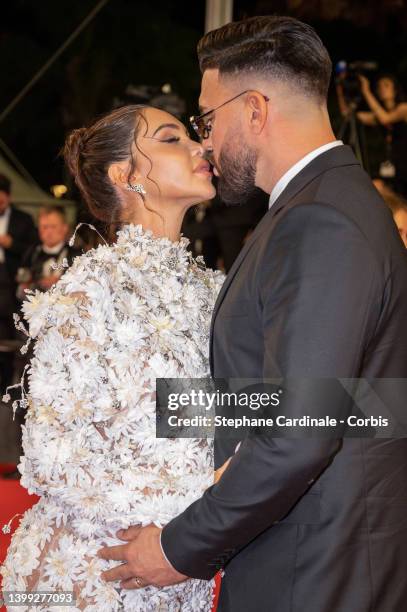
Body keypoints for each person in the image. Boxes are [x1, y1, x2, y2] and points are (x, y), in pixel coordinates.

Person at [100, 16, 407, 612]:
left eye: (208, 120)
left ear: (256, 110)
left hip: (315, 569)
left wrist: (179, 548)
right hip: (319, 553)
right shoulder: (319, 205)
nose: (205, 141)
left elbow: (300, 431)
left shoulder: (320, 219)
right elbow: (345, 398)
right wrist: (158, 414)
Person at [1, 105, 224, 611]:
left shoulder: (214, 290)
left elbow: (208, 411)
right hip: (93, 571)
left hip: (175, 568)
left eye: (193, 136)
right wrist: (185, 522)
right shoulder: (90, 289)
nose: (201, 147)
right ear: (125, 175)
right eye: (172, 139)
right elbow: (52, 457)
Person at [339, 73, 407, 196]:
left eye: (386, 85)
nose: (382, 89)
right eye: (379, 86)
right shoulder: (379, 116)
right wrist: (340, 87)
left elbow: (385, 119)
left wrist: (366, 90)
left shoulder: (403, 108)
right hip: (391, 166)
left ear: (395, 90)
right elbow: (348, 115)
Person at [0, 173, 37, 392]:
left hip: (13, 281)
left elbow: (32, 250)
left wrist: (11, 243)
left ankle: (13, 383)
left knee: (14, 332)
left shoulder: (23, 219)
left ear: (9, 198)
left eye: (2, 199)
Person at [16, 206, 80, 299]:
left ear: (64, 228)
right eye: (44, 227)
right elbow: (20, 292)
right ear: (39, 229)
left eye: (53, 227)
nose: (49, 232)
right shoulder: (31, 253)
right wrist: (26, 284)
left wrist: (62, 283)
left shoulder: (76, 255)